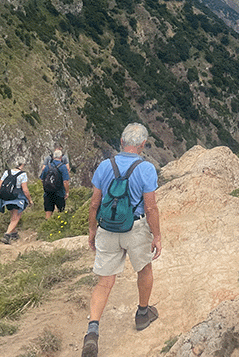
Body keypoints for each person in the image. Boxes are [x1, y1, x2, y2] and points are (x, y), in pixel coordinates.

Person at [82, 123, 162, 357]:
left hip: (107, 228)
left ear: (121, 141)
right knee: (144, 270)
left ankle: (92, 331)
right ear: (143, 145)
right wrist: (156, 235)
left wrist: (92, 230)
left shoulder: (105, 166)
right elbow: (151, 207)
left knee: (104, 282)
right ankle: (142, 313)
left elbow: (95, 203)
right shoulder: (146, 168)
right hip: (135, 227)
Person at [0, 161, 33, 244]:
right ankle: (7, 235)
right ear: (22, 165)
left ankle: (14, 234)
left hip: (6, 198)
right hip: (17, 198)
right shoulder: (23, 174)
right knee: (16, 218)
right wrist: (30, 200)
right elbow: (25, 189)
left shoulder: (7, 172)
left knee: (13, 215)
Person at [40, 148, 71, 219]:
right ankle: (58, 226)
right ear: (61, 157)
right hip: (59, 192)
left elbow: (42, 179)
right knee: (61, 210)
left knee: (48, 211)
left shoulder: (48, 166)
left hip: (48, 192)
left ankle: (46, 226)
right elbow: (65, 181)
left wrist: (46, 187)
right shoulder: (63, 167)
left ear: (53, 157)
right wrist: (67, 192)